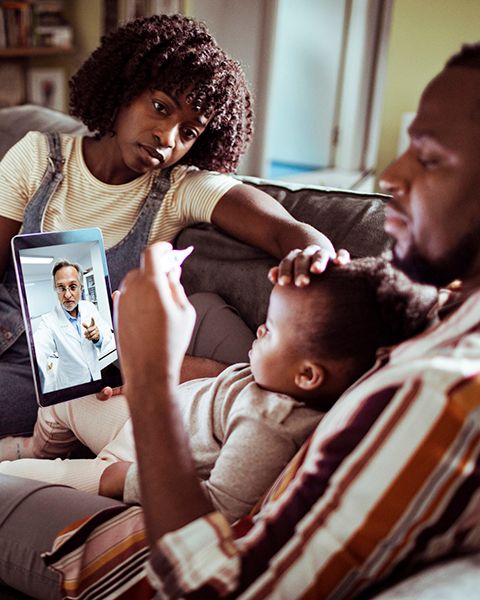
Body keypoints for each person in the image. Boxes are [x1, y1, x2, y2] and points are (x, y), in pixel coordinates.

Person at [1, 39, 479, 600]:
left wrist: (153, 371)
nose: (390, 175)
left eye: (429, 157)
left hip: (134, 475)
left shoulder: (441, 388)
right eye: (159, 108)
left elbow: (215, 577)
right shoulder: (443, 320)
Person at [0, 13, 336, 438]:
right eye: (160, 108)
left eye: (189, 131)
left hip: (56, 379)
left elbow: (284, 230)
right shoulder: (38, 157)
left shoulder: (180, 190)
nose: (167, 137)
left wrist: (314, 255)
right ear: (124, 90)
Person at [0, 256, 437, 525]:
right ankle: (36, 448)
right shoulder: (274, 374)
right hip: (144, 419)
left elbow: (219, 510)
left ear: (308, 376)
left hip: (137, 464)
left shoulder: (274, 424)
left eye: (272, 330)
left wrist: (124, 481)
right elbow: (210, 390)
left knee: (23, 485)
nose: (260, 329)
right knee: (68, 390)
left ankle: (35, 466)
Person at [33, 259, 114, 392]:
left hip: (95, 377)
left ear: (81, 288)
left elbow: (108, 335)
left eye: (73, 286)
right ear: (56, 291)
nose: (67, 294)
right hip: (70, 386)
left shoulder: (89, 307)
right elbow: (38, 348)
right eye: (61, 288)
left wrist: (98, 337)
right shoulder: (48, 321)